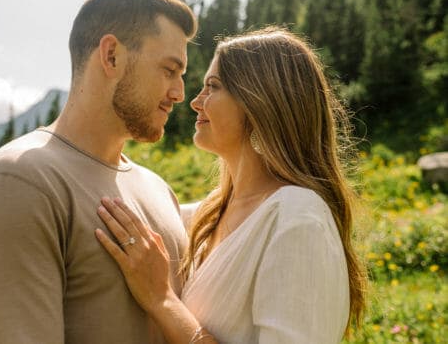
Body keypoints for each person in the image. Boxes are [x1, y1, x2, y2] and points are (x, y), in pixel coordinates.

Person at [0, 0, 197, 343]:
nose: (179, 93)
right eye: (169, 70)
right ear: (111, 56)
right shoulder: (13, 184)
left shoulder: (160, 191)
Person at [95, 27, 368, 344]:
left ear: (261, 102)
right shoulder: (207, 213)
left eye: (213, 86)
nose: (196, 102)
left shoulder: (298, 219)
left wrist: (163, 300)